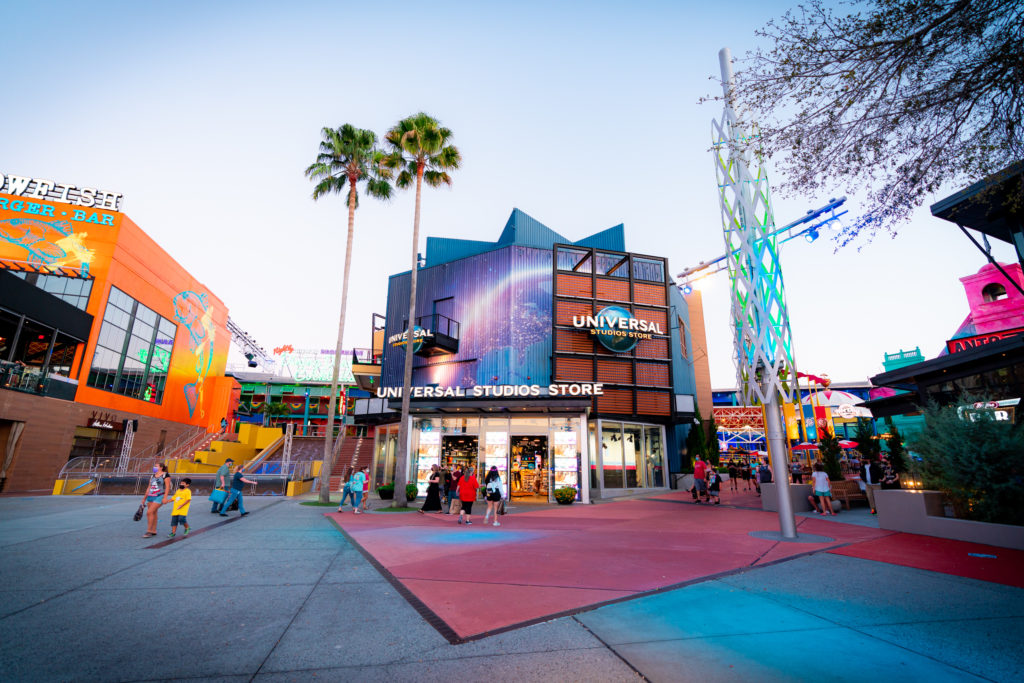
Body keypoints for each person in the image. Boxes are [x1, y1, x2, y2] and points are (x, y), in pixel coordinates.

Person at [142, 462, 172, 538]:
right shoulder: (152, 476)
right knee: (154, 513)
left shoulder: (165, 475)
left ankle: (149, 531)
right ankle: (153, 530)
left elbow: (167, 487)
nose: (154, 467)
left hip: (159, 495)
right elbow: (149, 487)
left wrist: (165, 497)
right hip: (151, 495)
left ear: (161, 467)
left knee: (149, 512)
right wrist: (144, 498)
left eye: (156, 466)